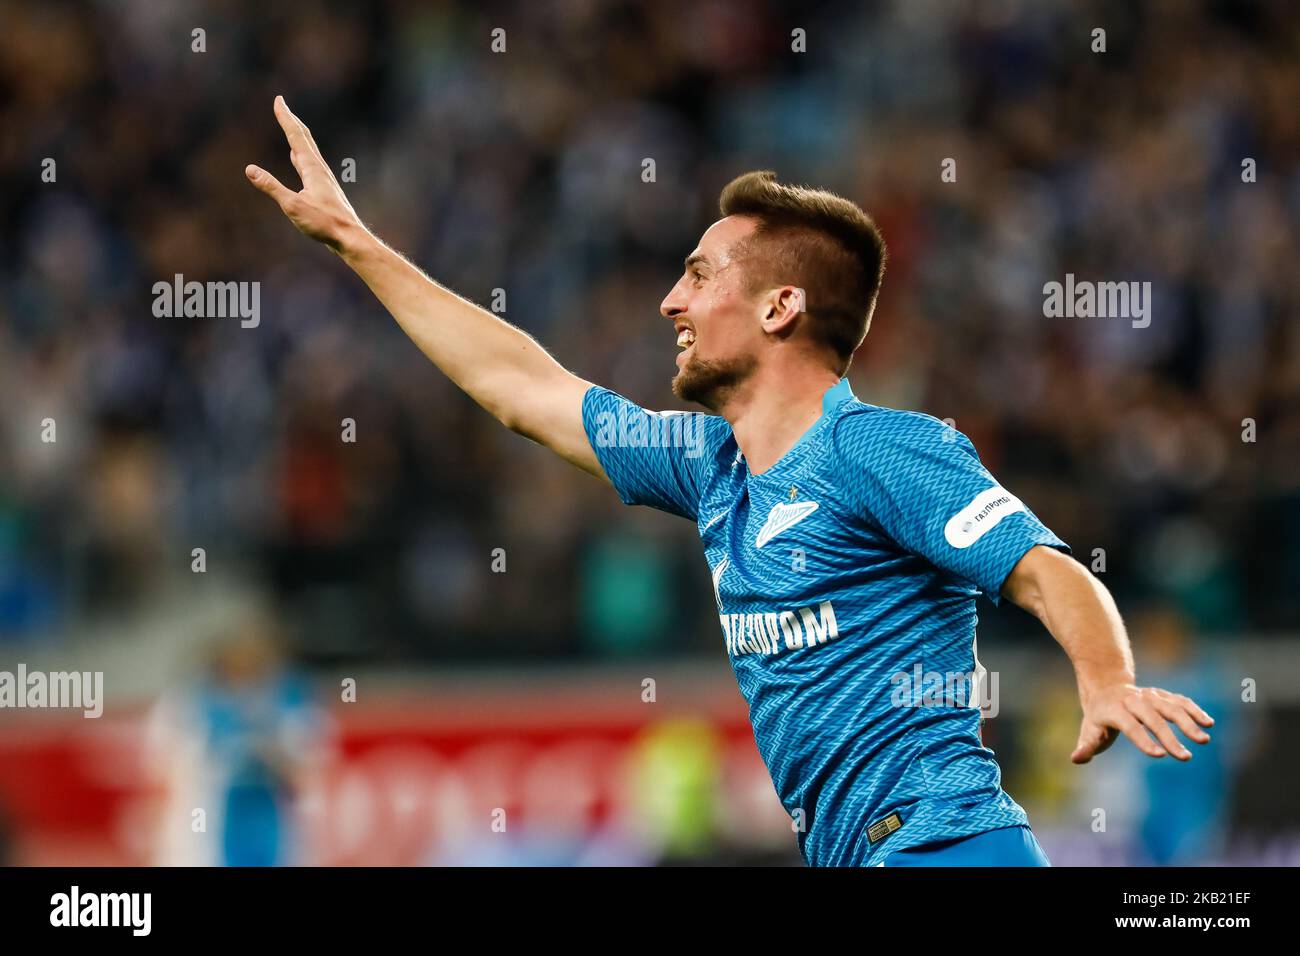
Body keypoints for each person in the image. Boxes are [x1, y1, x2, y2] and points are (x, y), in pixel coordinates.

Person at [245, 96, 1215, 866]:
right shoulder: (708, 466)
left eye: (700, 276)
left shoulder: (881, 450)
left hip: (942, 843)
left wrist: (1105, 677)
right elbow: (521, 388)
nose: (670, 300)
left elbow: (1046, 568)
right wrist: (360, 248)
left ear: (782, 305)